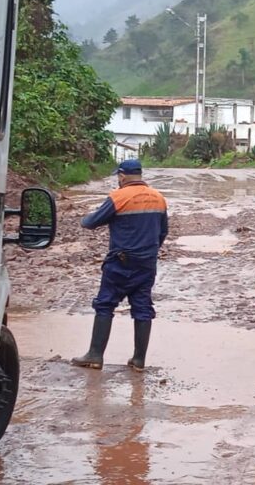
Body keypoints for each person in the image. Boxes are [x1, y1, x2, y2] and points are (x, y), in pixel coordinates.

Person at [72, 159, 168, 372]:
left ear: (123, 176)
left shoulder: (118, 197)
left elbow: (90, 223)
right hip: (147, 263)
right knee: (142, 307)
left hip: (120, 263)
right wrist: (148, 253)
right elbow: (163, 232)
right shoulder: (159, 198)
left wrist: (84, 218)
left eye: (119, 176)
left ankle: (95, 355)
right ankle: (139, 360)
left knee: (105, 304)